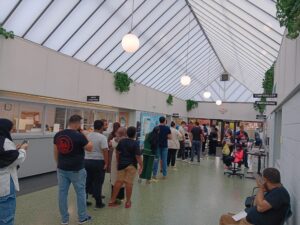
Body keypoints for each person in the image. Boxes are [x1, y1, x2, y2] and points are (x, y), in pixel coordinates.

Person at [53, 115, 93, 225]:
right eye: (80, 123)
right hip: (77, 170)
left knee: (62, 193)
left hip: (61, 169)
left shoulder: (58, 134)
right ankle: (82, 218)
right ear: (77, 123)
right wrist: (85, 135)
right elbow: (90, 148)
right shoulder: (79, 136)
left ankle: (64, 219)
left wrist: (58, 164)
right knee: (80, 193)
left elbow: (56, 151)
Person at [219, 168, 291, 225]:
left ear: (265, 180)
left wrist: (261, 188)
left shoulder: (279, 193)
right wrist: (262, 190)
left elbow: (260, 208)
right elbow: (255, 204)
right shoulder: (273, 190)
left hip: (252, 223)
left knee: (225, 220)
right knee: (224, 218)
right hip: (247, 219)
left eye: (263, 179)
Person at [0, 119, 28, 225]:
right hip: (4, 184)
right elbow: (16, 160)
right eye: (10, 130)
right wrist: (23, 149)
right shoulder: (5, 142)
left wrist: (14, 151)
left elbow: (5, 156)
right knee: (6, 218)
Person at [109, 127, 143, 208]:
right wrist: (141, 166)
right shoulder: (135, 143)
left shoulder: (122, 141)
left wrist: (118, 162)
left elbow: (117, 152)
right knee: (129, 183)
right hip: (131, 165)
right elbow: (138, 156)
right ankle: (128, 202)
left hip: (122, 165)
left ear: (127, 133)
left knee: (118, 182)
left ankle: (112, 201)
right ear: (135, 134)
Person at [85, 120, 108, 209]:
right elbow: (105, 150)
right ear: (101, 127)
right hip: (98, 162)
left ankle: (84, 200)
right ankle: (98, 203)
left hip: (87, 161)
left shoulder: (88, 136)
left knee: (87, 181)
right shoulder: (102, 137)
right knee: (98, 182)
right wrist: (106, 162)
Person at [110, 127, 127, 201]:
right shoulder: (126, 140)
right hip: (124, 160)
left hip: (114, 160)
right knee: (122, 178)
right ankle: (121, 196)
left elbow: (112, 145)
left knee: (114, 177)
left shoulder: (114, 140)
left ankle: (114, 196)